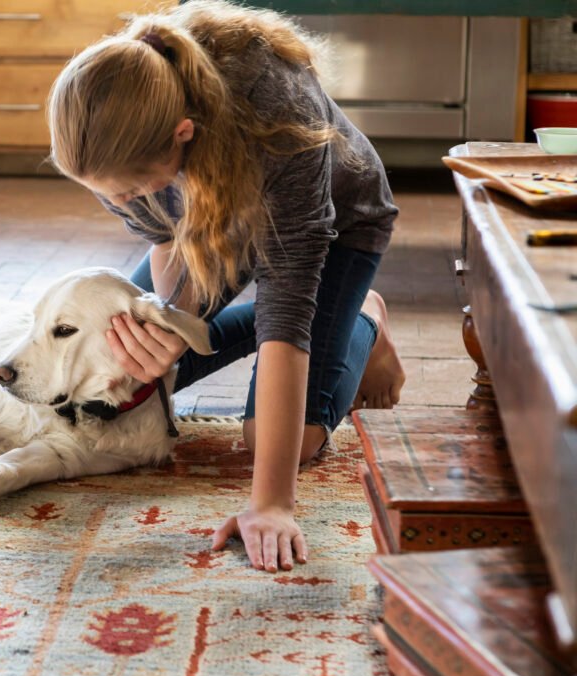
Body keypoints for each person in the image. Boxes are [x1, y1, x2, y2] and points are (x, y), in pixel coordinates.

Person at [47, 0, 406, 572]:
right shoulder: (110, 135)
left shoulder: (280, 122)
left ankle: (362, 314)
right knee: (118, 382)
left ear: (182, 135)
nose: (119, 202)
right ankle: (328, 319)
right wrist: (172, 320)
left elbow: (285, 327)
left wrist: (271, 504)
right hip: (214, 225)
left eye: (131, 188)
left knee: (278, 440)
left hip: (334, 225)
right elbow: (167, 243)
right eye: (105, 192)